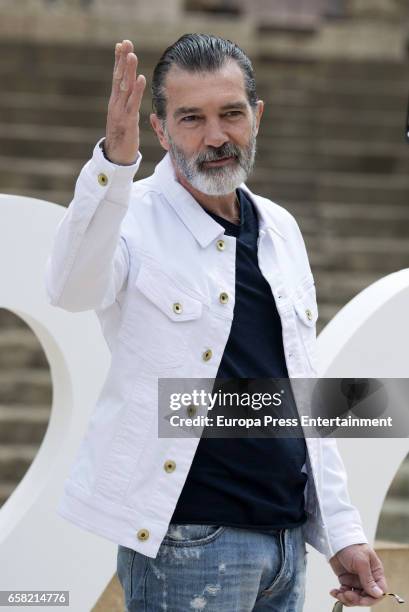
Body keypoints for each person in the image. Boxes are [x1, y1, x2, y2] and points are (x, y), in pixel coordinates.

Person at [45, 34, 388, 611]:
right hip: (187, 541)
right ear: (159, 129)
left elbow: (306, 396)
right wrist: (114, 164)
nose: (215, 137)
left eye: (230, 114)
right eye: (191, 118)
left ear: (257, 117)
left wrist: (342, 532)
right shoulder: (129, 218)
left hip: (285, 545)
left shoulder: (282, 228)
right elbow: (71, 288)